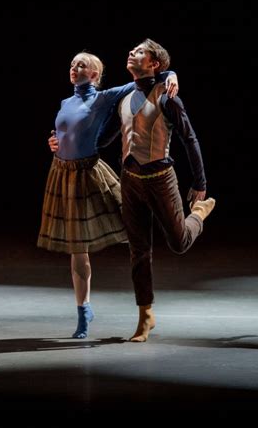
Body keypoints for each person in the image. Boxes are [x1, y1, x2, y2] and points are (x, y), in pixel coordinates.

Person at [38, 50, 178, 339]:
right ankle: (83, 310)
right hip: (62, 173)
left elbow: (145, 80)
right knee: (77, 250)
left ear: (94, 75)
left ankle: (165, 237)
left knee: (128, 225)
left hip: (87, 173)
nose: (75, 67)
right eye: (72, 63)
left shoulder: (102, 97)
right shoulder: (66, 101)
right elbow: (64, 132)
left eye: (82, 65)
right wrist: (54, 141)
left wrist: (170, 75)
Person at [94, 38, 216, 342]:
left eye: (139, 51)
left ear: (154, 64)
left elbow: (191, 139)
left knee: (179, 242)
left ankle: (199, 214)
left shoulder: (168, 96)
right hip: (130, 180)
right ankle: (145, 315)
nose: (131, 52)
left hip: (161, 178)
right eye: (131, 49)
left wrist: (199, 183)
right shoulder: (124, 98)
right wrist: (67, 148)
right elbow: (102, 140)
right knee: (138, 251)